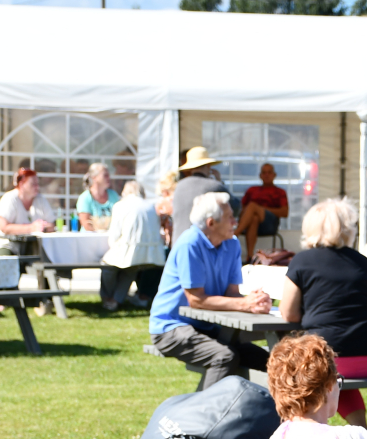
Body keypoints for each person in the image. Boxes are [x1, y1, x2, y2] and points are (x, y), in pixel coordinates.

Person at [278, 198, 367, 427]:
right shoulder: (363, 262)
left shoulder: (302, 261)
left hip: (332, 355)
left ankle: (298, 432)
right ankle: (361, 428)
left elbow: (288, 314)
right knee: (332, 373)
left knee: (317, 367)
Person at [148, 192, 271, 388]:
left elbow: (231, 294)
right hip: (171, 326)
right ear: (211, 223)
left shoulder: (232, 244)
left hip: (208, 326)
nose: (235, 222)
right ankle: (205, 408)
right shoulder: (190, 244)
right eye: (230, 217)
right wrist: (244, 304)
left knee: (272, 363)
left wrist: (255, 301)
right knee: (225, 357)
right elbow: (196, 300)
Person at [100, 181, 166, 311]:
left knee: (108, 267)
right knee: (130, 270)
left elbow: (114, 235)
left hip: (128, 249)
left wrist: (114, 246)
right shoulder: (151, 206)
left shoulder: (121, 205)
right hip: (151, 253)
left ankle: (108, 298)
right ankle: (116, 300)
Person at [170, 147, 231, 251]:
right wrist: (219, 181)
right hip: (200, 247)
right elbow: (234, 207)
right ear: (208, 166)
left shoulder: (179, 186)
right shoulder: (214, 186)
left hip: (178, 245)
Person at [0, 167, 56, 255]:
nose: (37, 187)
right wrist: (31, 228)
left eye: (37, 184)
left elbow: (51, 224)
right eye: (33, 184)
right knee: (8, 258)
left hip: (29, 245)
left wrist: (43, 227)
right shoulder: (10, 198)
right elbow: (4, 227)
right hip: (4, 244)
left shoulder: (40, 199)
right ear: (21, 184)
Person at [236, 162, 289, 263]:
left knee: (252, 206)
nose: (266, 175)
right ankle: (250, 257)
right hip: (251, 222)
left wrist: (261, 209)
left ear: (274, 175)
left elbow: (285, 212)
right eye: (264, 173)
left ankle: (235, 234)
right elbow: (242, 209)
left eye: (269, 172)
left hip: (270, 223)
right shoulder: (252, 190)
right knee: (254, 218)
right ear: (260, 175)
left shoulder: (280, 192)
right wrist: (254, 210)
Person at [77, 162, 121, 230]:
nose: (108, 178)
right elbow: (86, 225)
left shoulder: (113, 195)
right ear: (94, 177)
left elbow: (119, 219)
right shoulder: (85, 198)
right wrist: (101, 233)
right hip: (91, 236)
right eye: (105, 175)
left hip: (110, 235)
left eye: (108, 175)